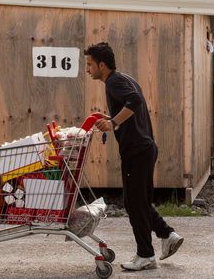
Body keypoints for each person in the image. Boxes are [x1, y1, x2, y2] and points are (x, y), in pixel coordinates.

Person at [84, 42, 184, 271]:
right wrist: (111, 118)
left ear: (102, 65)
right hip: (144, 149)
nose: (88, 69)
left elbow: (135, 101)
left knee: (135, 203)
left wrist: (113, 122)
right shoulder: (124, 79)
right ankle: (167, 234)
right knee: (136, 201)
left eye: (90, 65)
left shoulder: (114, 82)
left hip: (137, 151)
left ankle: (146, 254)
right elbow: (131, 105)